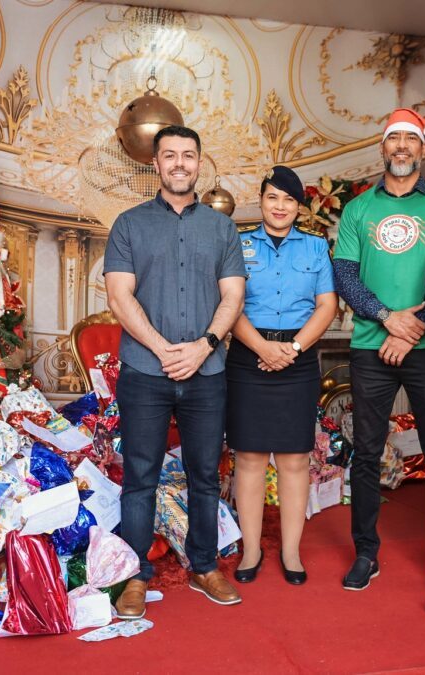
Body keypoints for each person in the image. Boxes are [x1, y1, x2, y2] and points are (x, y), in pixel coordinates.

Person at [104, 125, 246, 618]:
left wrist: (203, 347)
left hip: (207, 374)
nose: (180, 163)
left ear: (200, 163)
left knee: (205, 474)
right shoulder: (128, 224)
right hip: (146, 370)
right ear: (156, 165)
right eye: (170, 155)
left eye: (189, 155)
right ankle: (134, 575)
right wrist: (166, 349)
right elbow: (119, 296)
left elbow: (233, 296)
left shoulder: (222, 228)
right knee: (139, 476)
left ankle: (206, 566)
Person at [333, 108, 425, 594]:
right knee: (365, 452)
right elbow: (345, 273)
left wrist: (413, 326)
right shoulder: (358, 209)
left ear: (424, 149)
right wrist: (388, 319)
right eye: (394, 140)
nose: (402, 147)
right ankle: (366, 552)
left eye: (411, 139)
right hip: (371, 346)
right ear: (382, 148)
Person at [228, 165, 337, 586]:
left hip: (298, 356)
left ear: (298, 207)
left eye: (288, 200)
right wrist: (262, 348)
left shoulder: (314, 248)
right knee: (250, 458)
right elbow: (229, 304)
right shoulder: (237, 245)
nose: (279, 206)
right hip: (247, 357)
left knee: (294, 459)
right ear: (261, 200)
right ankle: (251, 549)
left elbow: (326, 306)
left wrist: (290, 350)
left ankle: (291, 551)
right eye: (272, 197)